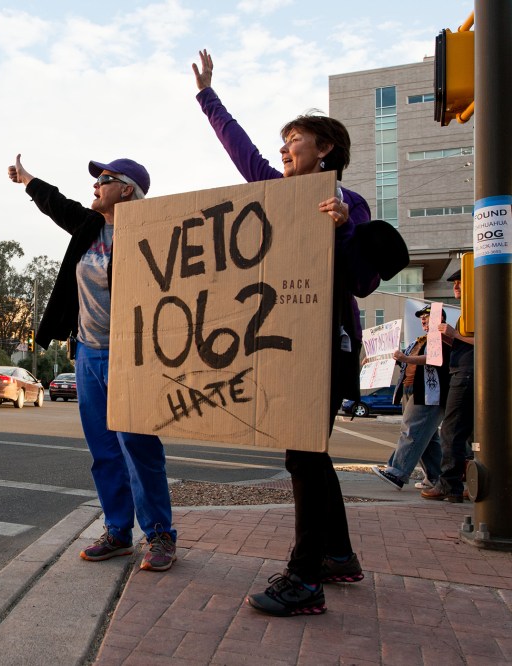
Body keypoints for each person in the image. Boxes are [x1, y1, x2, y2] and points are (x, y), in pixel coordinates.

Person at [193, 49, 406, 617]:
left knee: (305, 455)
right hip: (288, 343)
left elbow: (361, 283)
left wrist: (342, 230)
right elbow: (244, 154)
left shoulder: (349, 204)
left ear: (325, 149)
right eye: (282, 143)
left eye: (294, 141)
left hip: (328, 346)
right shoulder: (277, 193)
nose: (284, 151)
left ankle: (305, 578)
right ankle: (338, 556)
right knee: (306, 456)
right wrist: (209, 98)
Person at [7, 154, 178, 572]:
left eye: (104, 179)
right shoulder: (88, 226)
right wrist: (27, 179)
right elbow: (56, 203)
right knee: (104, 450)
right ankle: (118, 532)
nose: (95, 186)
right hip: (87, 353)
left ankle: (159, 534)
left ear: (127, 189)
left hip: (132, 355)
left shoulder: (152, 233)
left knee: (138, 446)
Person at [371, 305, 451, 490]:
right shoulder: (421, 340)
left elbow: (432, 358)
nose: (423, 319)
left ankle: (397, 473)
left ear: (439, 317)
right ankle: (436, 479)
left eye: (427, 315)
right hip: (412, 390)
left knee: (412, 430)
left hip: (428, 393)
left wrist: (406, 359)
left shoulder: (441, 336)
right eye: (421, 316)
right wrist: (374, 360)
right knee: (427, 438)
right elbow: (404, 361)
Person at [422, 270, 474, 503]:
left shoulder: (478, 308)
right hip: (465, 371)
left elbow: (490, 340)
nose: (456, 287)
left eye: (460, 282)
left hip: (466, 374)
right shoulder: (469, 312)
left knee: (451, 430)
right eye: (454, 283)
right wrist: (449, 339)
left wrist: (454, 335)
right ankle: (469, 483)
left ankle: (449, 484)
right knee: (467, 433)